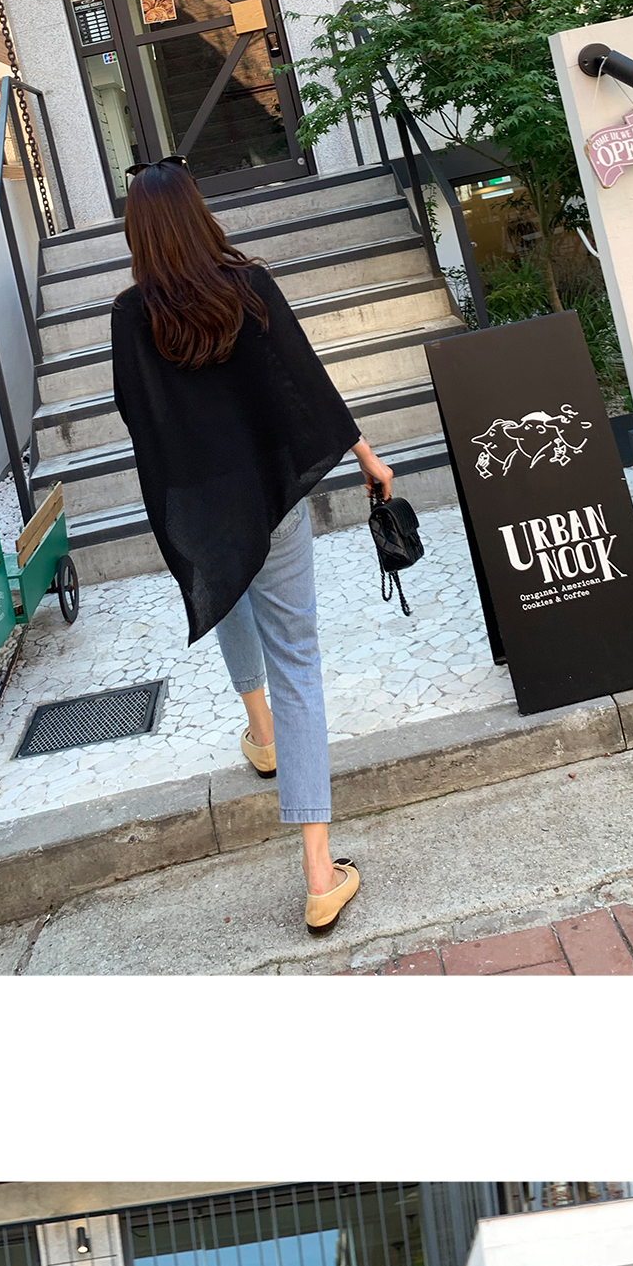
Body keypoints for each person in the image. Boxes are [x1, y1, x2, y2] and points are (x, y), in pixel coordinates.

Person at [110, 159, 392, 935]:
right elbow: (307, 381)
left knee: (224, 582)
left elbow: (137, 413)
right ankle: (318, 873)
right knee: (298, 659)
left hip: (203, 501)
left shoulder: (131, 315)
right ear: (198, 213)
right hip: (270, 496)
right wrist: (367, 457)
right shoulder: (249, 285)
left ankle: (259, 729)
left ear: (138, 233)